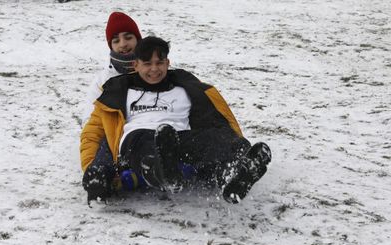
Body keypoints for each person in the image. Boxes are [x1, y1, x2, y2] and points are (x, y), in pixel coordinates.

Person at [80, 36, 271, 204]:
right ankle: (161, 172)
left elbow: (217, 120)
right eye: (147, 63)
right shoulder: (119, 92)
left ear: (167, 62)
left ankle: (234, 175)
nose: (154, 69)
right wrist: (94, 170)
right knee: (145, 141)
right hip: (138, 142)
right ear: (136, 65)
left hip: (178, 139)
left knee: (217, 138)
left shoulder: (184, 88)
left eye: (159, 62)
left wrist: (234, 143)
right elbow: (93, 134)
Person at [82, 11, 142, 122]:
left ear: (138, 39)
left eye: (128, 37)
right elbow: (90, 120)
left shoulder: (155, 71)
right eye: (116, 41)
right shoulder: (103, 81)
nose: (123, 44)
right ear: (111, 46)